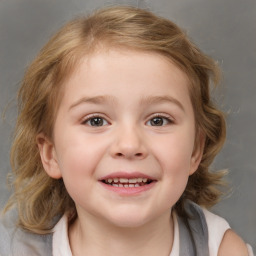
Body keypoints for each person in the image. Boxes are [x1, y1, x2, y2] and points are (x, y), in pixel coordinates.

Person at [0, 5, 254, 256]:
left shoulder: (222, 250)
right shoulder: (14, 249)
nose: (129, 146)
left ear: (195, 150)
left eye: (158, 121)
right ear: (50, 154)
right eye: (96, 121)